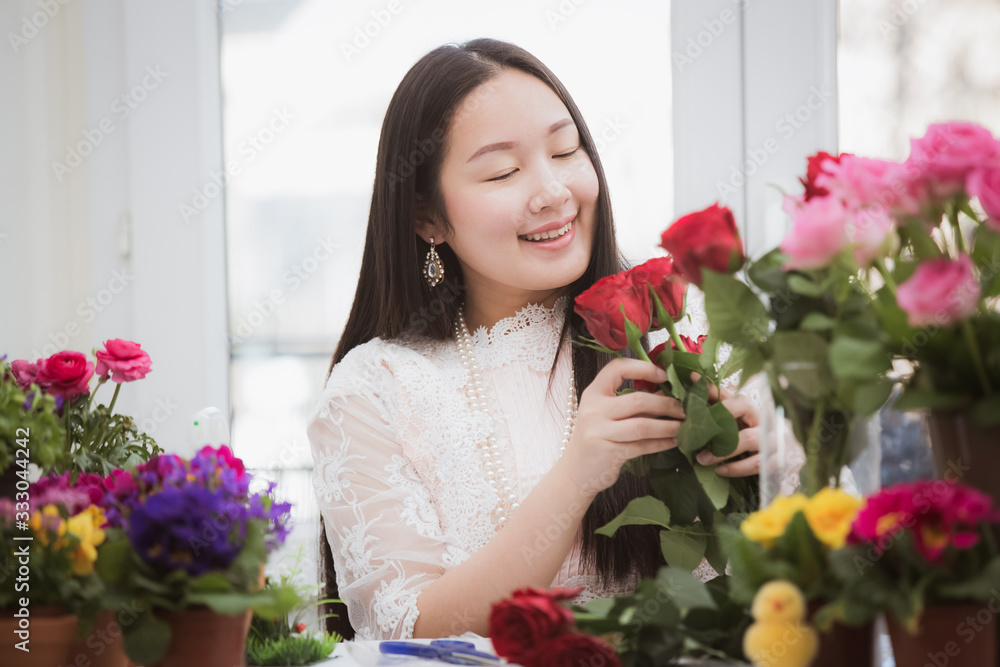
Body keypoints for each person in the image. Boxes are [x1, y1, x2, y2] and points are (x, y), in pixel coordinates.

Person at [306, 38, 762, 642]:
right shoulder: (375, 389)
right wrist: (577, 476)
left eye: (565, 150)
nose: (553, 191)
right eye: (503, 171)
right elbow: (407, 631)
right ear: (428, 218)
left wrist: (773, 461)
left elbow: (831, 561)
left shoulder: (683, 319)